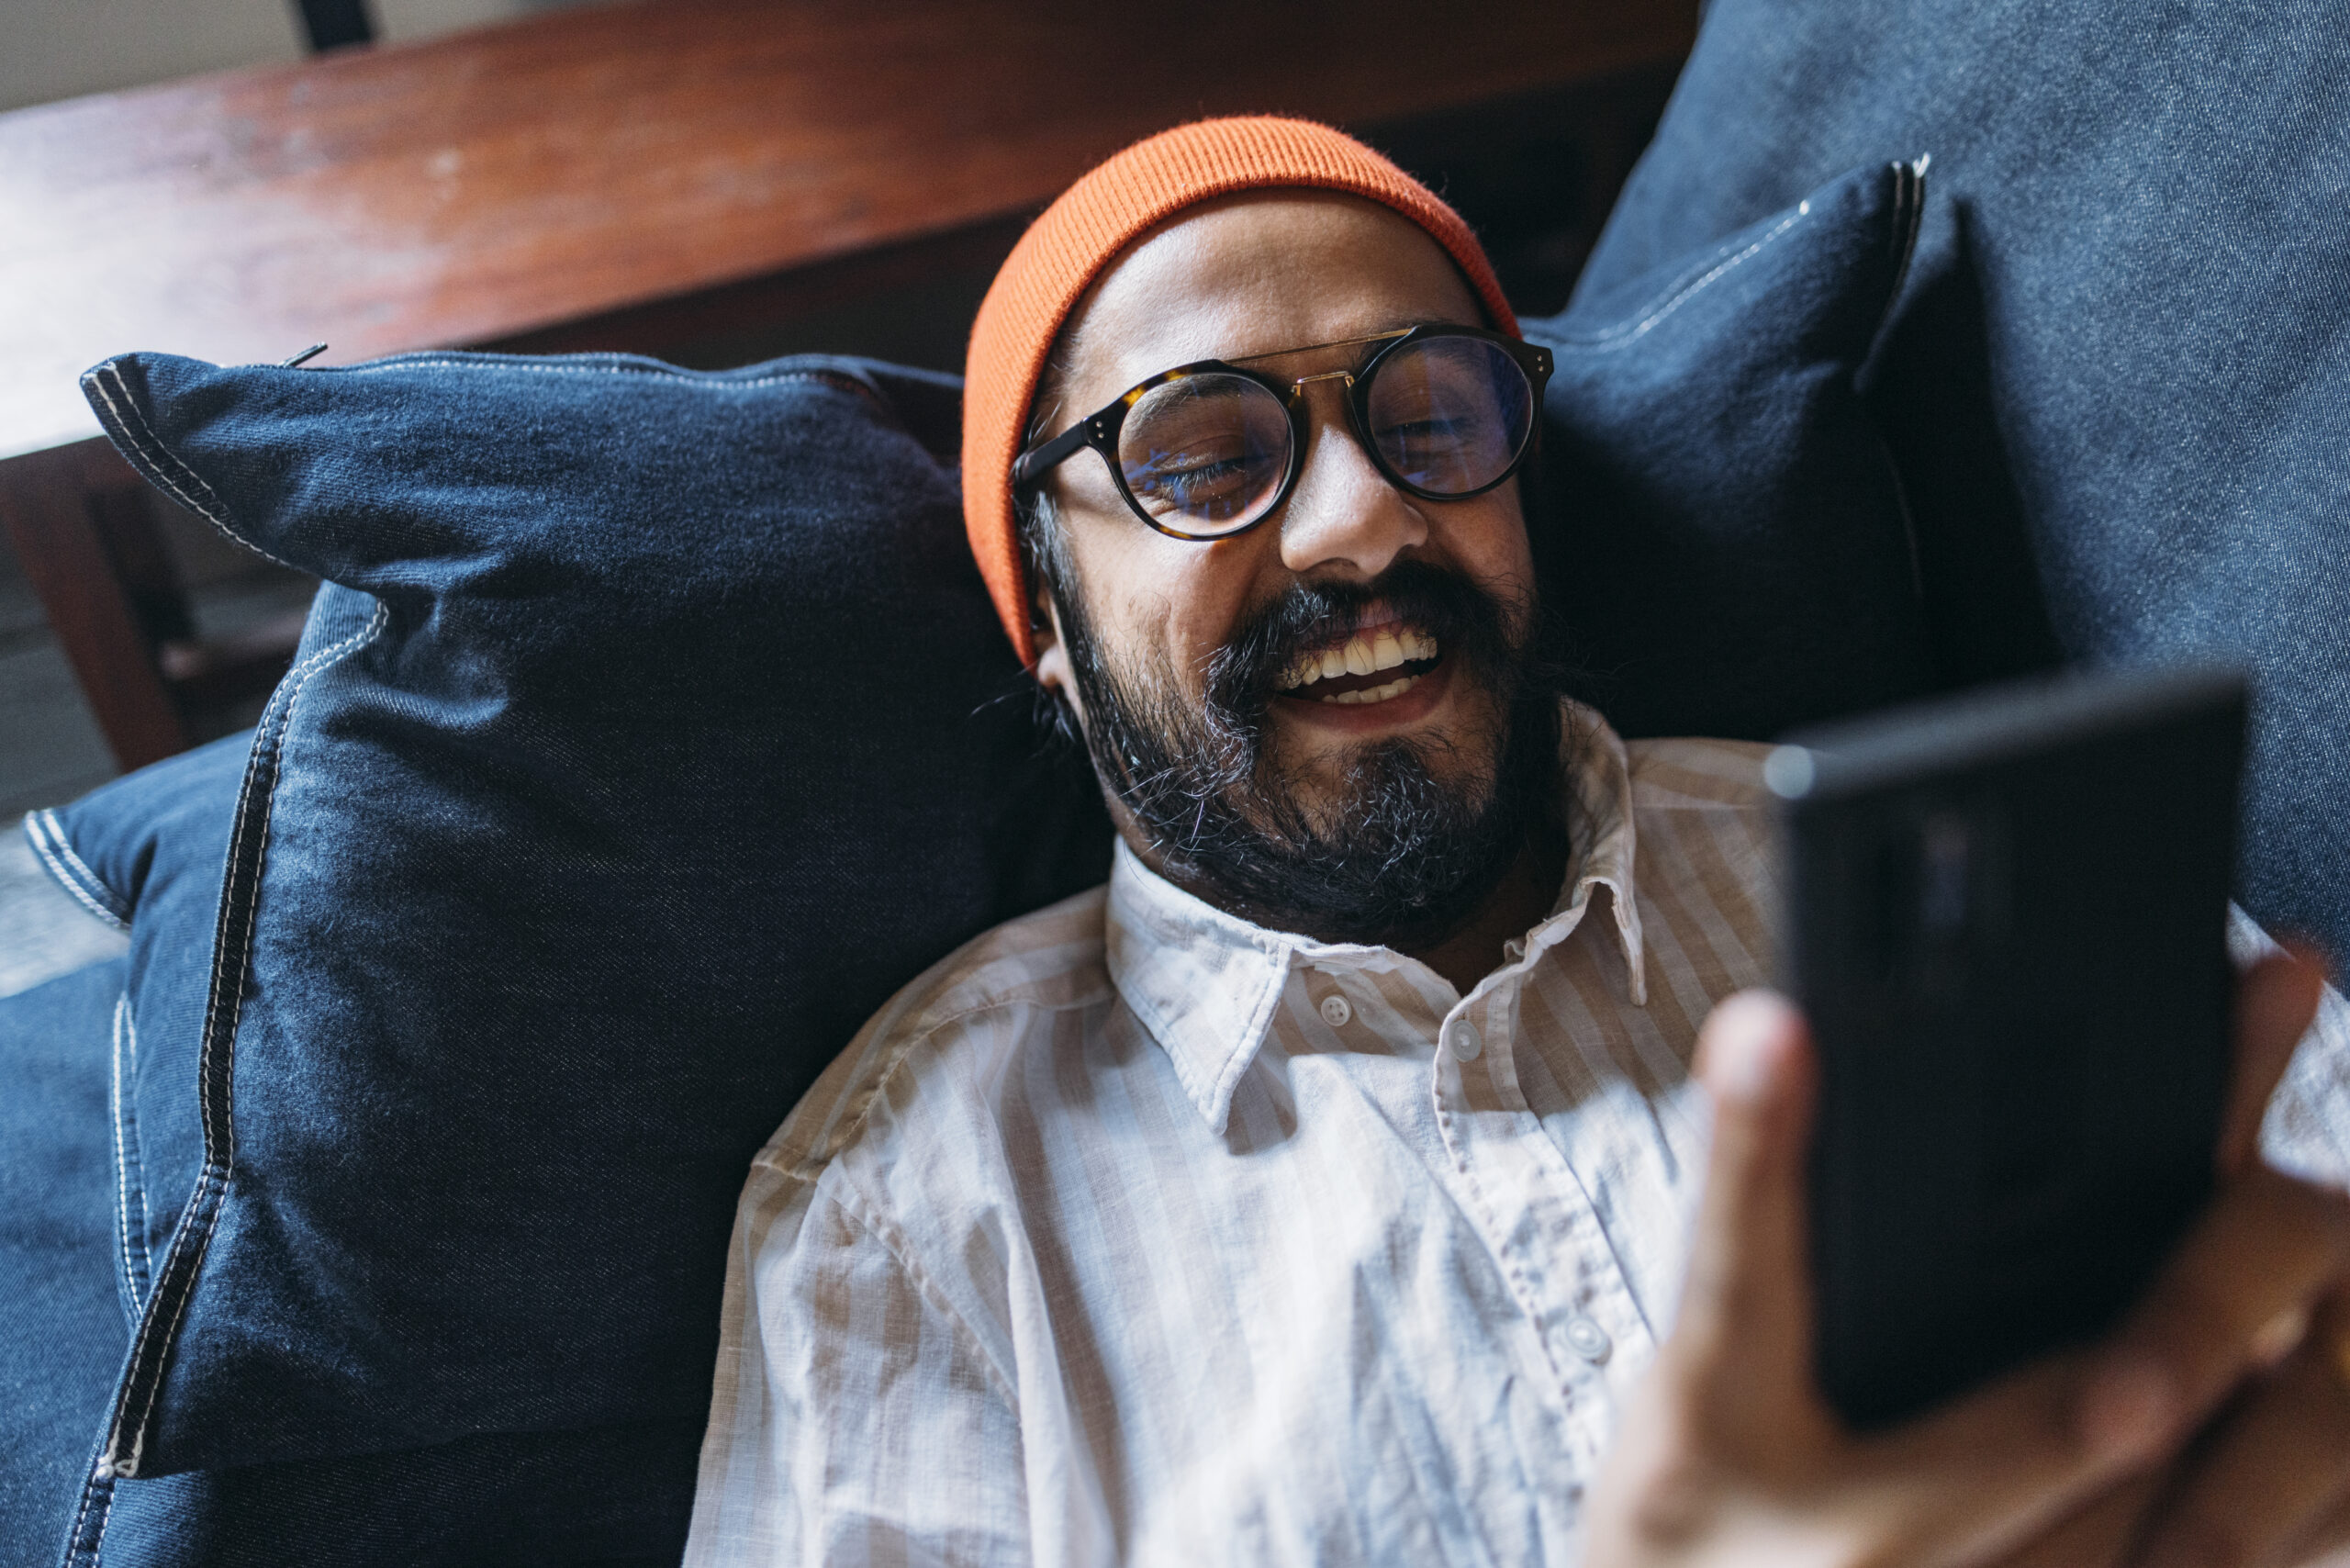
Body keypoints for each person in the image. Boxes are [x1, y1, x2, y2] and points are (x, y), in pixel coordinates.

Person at [684, 118, 2350, 1566]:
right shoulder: (910, 1219)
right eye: (1201, 457)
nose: (1361, 520)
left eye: (1432, 419)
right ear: (1049, 616)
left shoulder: (1962, 879)